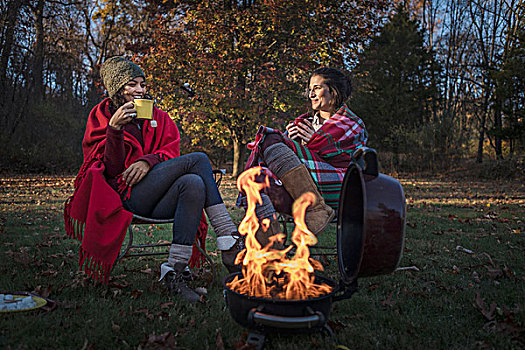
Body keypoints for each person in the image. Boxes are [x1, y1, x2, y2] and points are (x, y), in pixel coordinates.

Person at [64, 56, 243, 303]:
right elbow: (111, 170)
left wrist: (148, 161)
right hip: (126, 196)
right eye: (132, 84)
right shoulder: (101, 116)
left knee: (193, 183)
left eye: (142, 84)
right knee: (200, 159)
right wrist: (114, 130)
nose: (140, 90)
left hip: (159, 197)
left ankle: (175, 273)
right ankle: (230, 241)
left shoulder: (157, 116)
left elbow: (171, 154)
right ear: (117, 88)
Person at [241, 67, 368, 238]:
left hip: (339, 187)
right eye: (310, 89)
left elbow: (345, 160)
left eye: (317, 88)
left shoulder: (351, 124)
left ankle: (317, 209)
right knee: (254, 179)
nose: (311, 95)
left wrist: (309, 144)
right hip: (301, 190)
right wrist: (293, 143)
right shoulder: (303, 123)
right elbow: (288, 160)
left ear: (334, 91)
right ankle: (270, 249)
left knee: (269, 137)